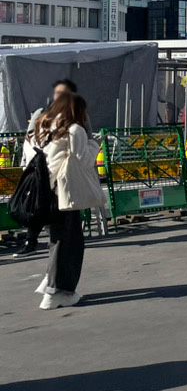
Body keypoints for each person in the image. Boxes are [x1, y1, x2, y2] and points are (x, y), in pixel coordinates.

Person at [29, 92, 106, 309]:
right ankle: (59, 292)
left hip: (47, 190)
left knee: (57, 239)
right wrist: (94, 143)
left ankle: (50, 283)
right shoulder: (74, 130)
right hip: (66, 192)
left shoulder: (44, 128)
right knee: (71, 242)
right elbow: (84, 159)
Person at [13, 78, 78, 258]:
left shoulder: (58, 121)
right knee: (47, 211)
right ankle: (38, 242)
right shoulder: (52, 120)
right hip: (48, 176)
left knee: (44, 209)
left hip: (44, 174)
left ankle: (34, 242)